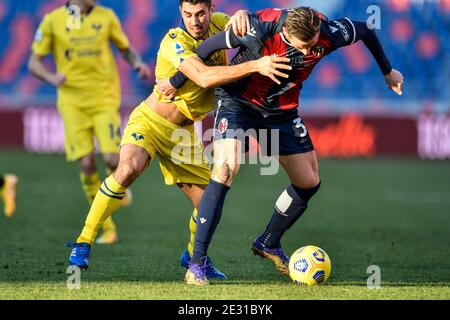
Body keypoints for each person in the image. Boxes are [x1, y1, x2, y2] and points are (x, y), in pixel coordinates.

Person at [164, 6, 404, 285]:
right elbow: (205, 48)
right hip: (237, 103)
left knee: (309, 181)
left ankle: (268, 241)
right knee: (226, 168)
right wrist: (175, 81)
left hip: (281, 110)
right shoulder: (257, 27)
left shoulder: (326, 32)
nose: (306, 54)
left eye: (312, 46)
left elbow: (365, 29)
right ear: (287, 32)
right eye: (301, 47)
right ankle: (197, 264)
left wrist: (388, 71)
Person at [66, 0, 290, 283]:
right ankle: (83, 241)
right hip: (150, 121)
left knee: (207, 203)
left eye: (200, 14)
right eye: (187, 14)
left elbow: (243, 20)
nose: (194, 21)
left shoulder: (221, 22)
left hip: (183, 136)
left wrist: (243, 14)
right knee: (127, 170)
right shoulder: (174, 40)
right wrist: (256, 65)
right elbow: (206, 78)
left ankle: (193, 257)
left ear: (210, 10)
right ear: (180, 14)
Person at [28, 0, 151, 244]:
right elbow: (33, 62)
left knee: (111, 158)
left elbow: (125, 48)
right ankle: (108, 229)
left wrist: (137, 63)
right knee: (86, 164)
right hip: (72, 102)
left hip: (104, 97)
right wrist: (52, 78)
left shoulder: (106, 16)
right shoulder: (52, 20)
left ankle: (120, 185)